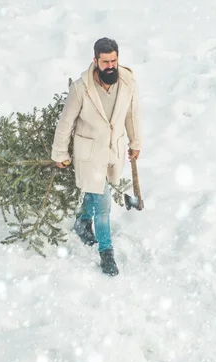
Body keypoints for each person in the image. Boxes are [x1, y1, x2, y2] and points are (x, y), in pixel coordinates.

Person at [51, 37, 143, 276]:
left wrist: (135, 142)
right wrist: (59, 152)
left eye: (114, 60)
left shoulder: (127, 81)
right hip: (89, 155)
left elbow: (132, 116)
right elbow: (66, 123)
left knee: (95, 192)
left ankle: (81, 222)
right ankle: (106, 252)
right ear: (95, 61)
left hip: (113, 152)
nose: (110, 66)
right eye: (105, 62)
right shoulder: (81, 89)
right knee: (103, 204)